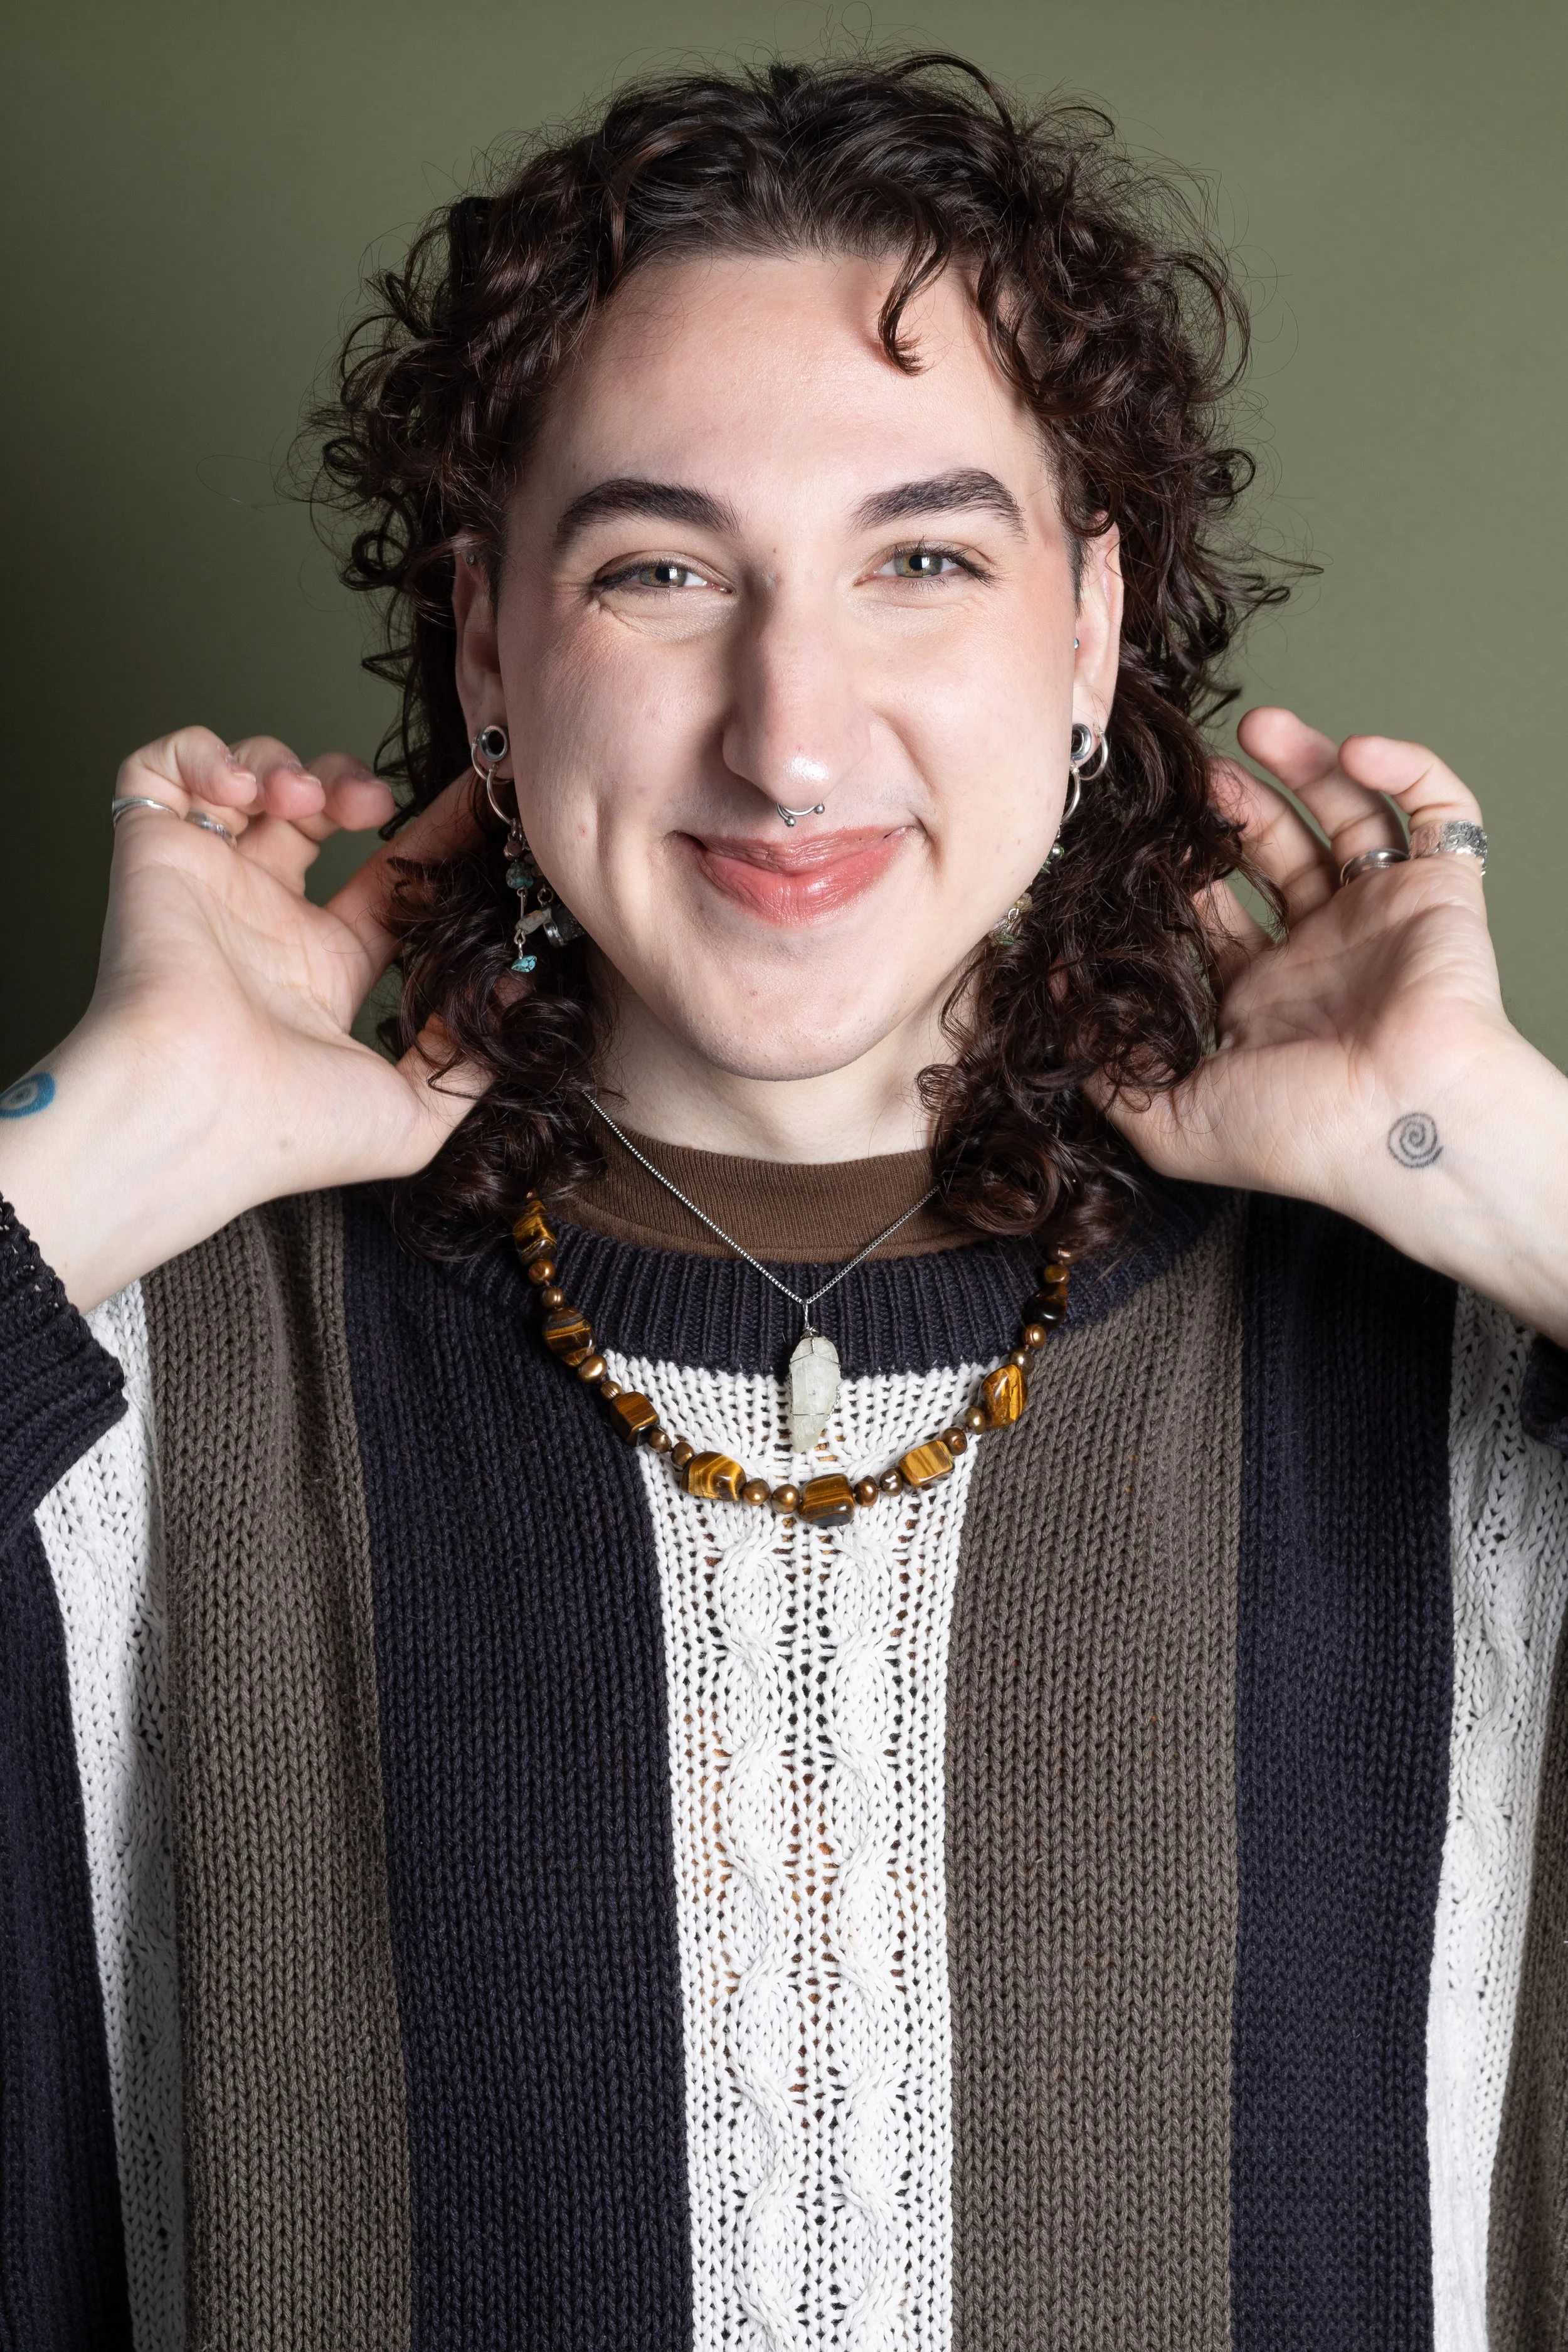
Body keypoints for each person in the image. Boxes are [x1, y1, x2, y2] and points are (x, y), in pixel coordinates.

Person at [2, 50, 1565, 2352]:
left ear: (1090, 628)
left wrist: (1499, 1155)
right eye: (659, 570)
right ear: (484, 649)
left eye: (922, 557)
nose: (790, 733)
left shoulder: (1461, 1349)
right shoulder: (119, 1354)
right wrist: (94, 1152)